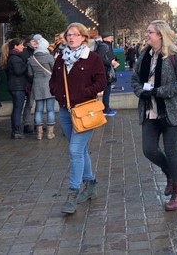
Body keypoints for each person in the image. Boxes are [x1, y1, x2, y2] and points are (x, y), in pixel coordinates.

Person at [131, 20, 177, 211]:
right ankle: (170, 176)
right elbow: (135, 79)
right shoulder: (144, 55)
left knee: (172, 151)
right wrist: (140, 91)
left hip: (171, 111)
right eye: (147, 31)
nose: (146, 35)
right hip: (150, 110)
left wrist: (159, 91)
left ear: (160, 35)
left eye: (150, 32)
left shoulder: (175, 56)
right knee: (149, 150)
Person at [49, 22, 106, 214]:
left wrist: (84, 92)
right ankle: (91, 183)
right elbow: (54, 82)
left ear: (84, 37)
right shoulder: (61, 59)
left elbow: (101, 81)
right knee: (80, 151)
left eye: (75, 34)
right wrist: (57, 93)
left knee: (75, 151)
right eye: (69, 34)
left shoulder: (92, 58)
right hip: (65, 111)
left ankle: (73, 193)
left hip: (85, 110)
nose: (71, 37)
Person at [27, 36, 56, 140]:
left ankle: (39, 134)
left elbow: (30, 74)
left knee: (38, 110)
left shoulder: (32, 58)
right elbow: (55, 70)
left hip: (37, 85)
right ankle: (49, 133)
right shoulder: (49, 57)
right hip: (49, 85)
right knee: (50, 110)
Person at [4, 38, 28, 139]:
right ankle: (16, 131)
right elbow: (18, 72)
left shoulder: (12, 57)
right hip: (17, 86)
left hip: (14, 86)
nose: (23, 46)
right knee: (18, 109)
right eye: (21, 45)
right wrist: (27, 65)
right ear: (15, 46)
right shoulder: (15, 58)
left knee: (16, 109)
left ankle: (16, 130)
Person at [95, 32, 119, 116]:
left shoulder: (105, 46)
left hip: (106, 70)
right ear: (105, 38)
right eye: (110, 37)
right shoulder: (104, 46)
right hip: (105, 71)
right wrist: (110, 62)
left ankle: (106, 108)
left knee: (107, 90)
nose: (111, 39)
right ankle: (106, 109)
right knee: (106, 90)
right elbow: (100, 58)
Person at [20, 34, 38, 134]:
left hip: (36, 81)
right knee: (29, 104)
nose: (35, 43)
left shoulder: (38, 52)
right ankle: (26, 123)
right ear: (28, 43)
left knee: (38, 104)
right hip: (29, 82)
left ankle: (37, 123)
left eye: (36, 41)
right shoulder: (24, 53)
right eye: (33, 41)